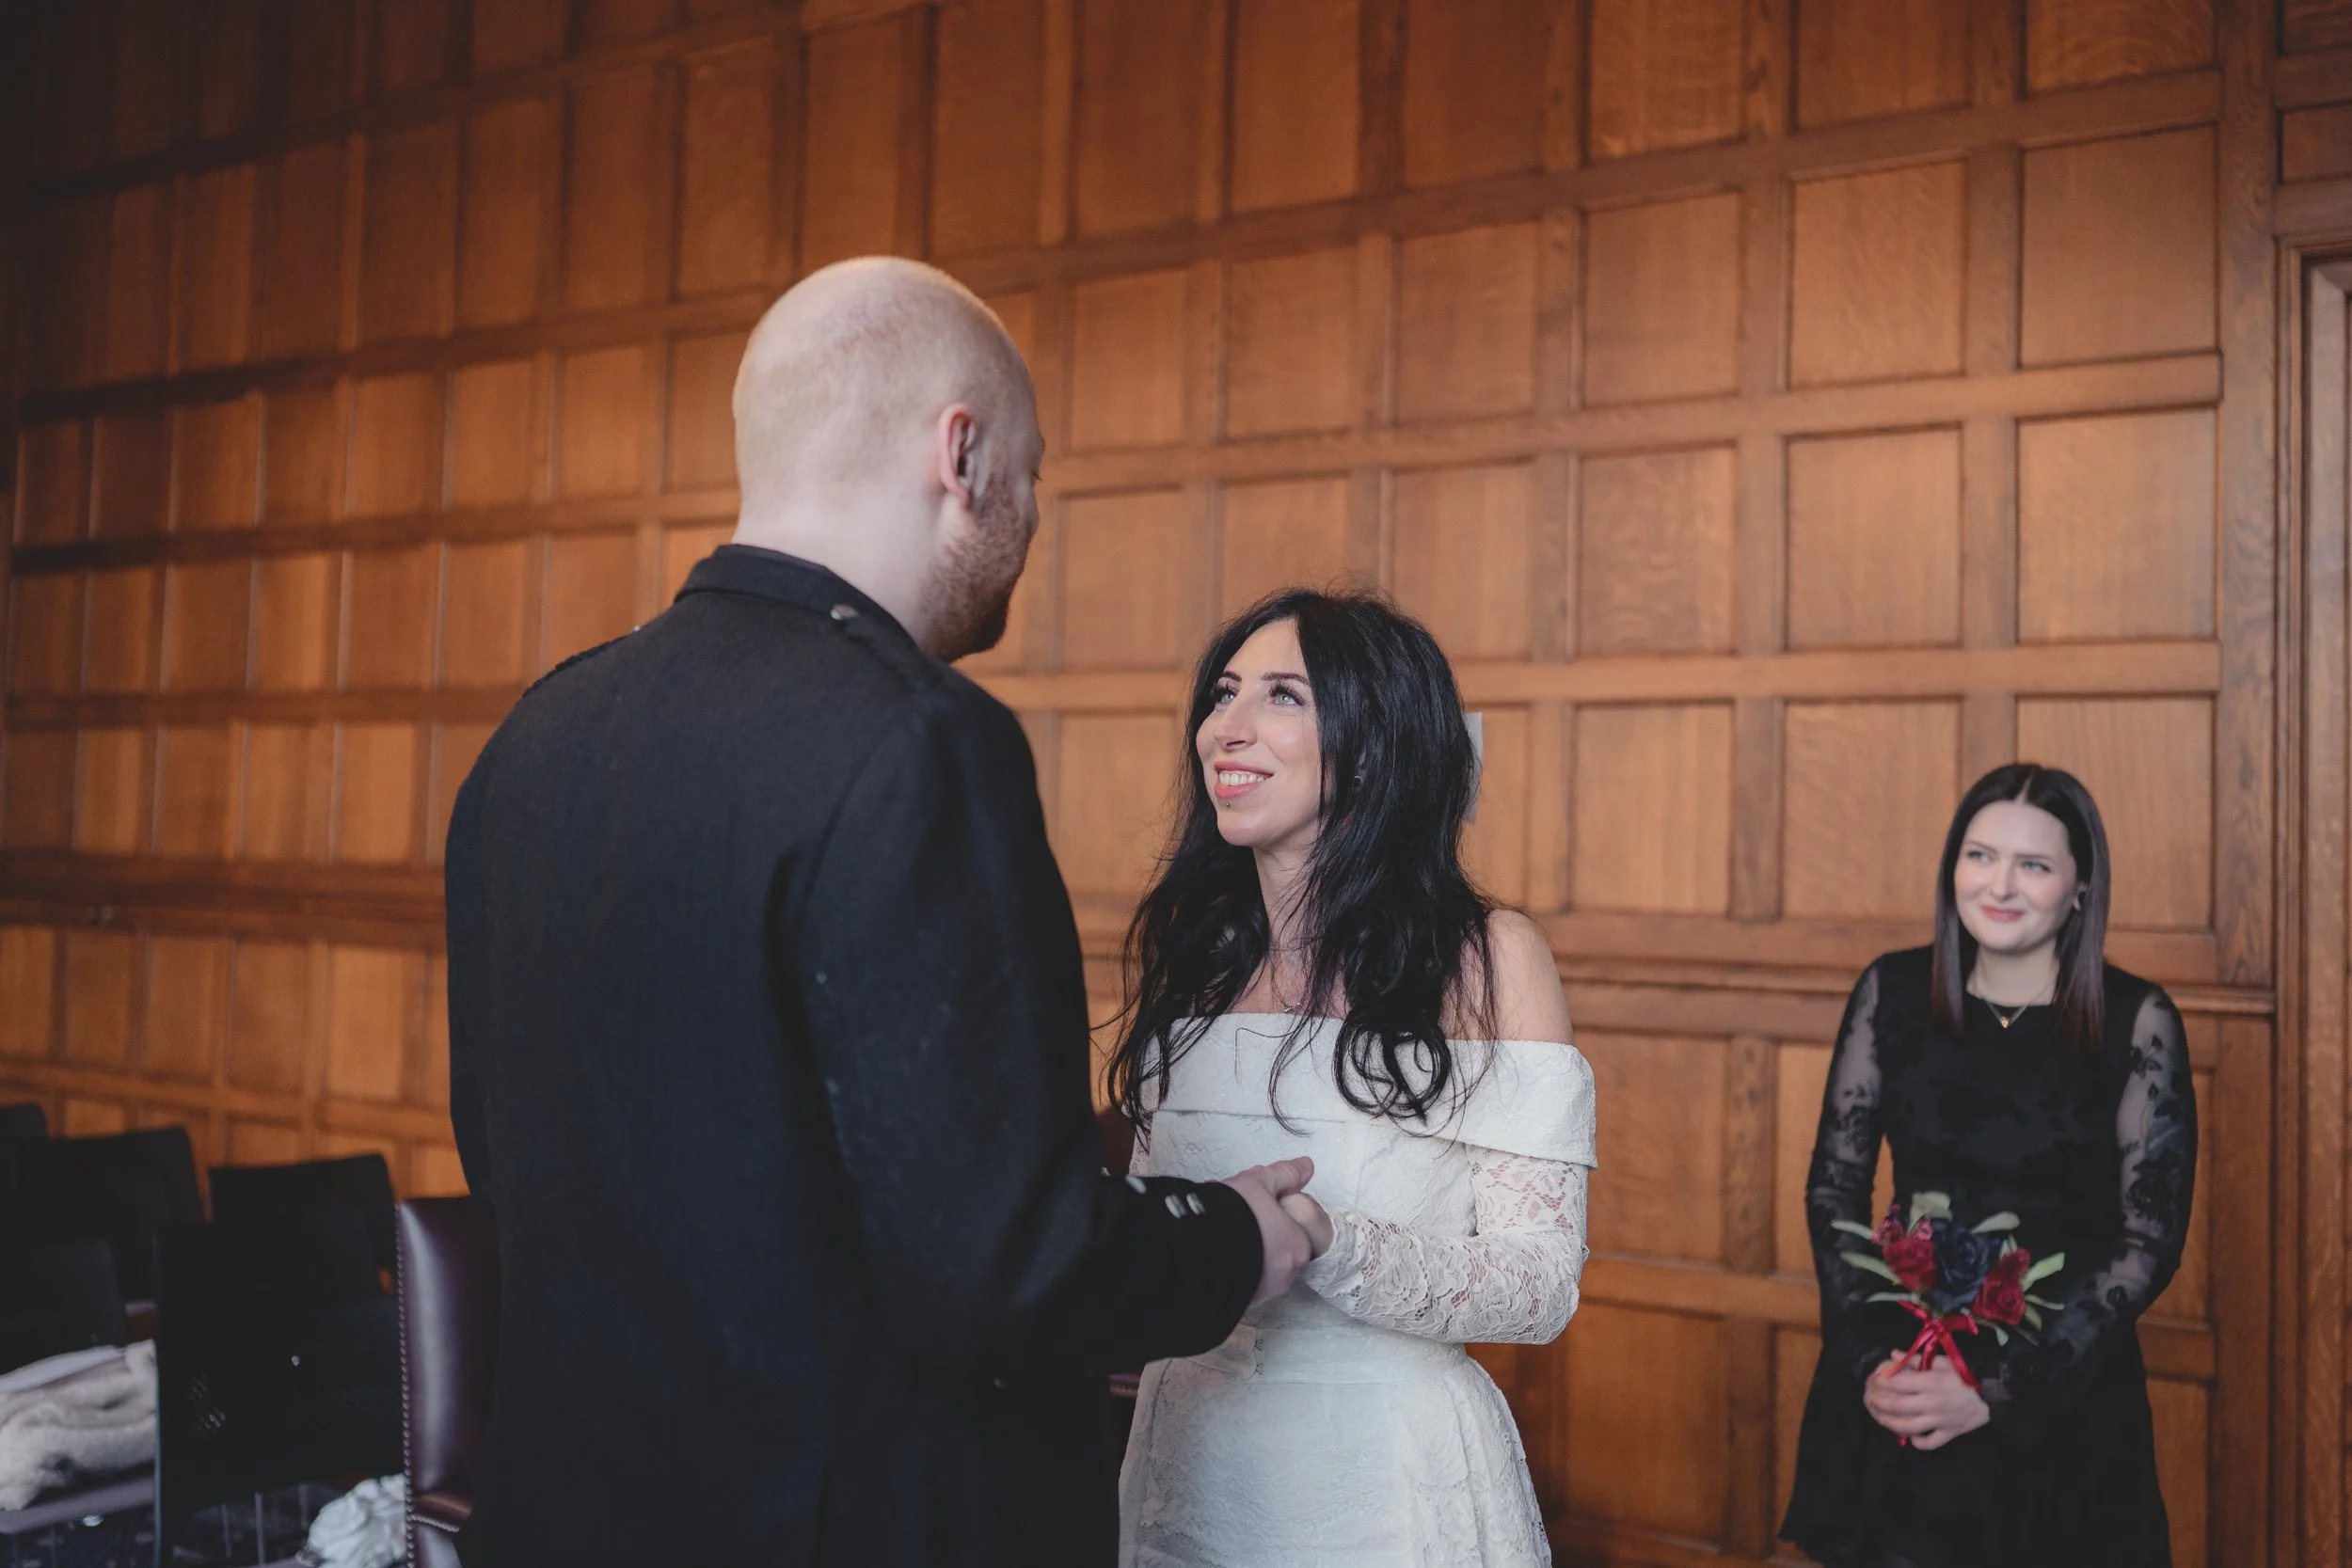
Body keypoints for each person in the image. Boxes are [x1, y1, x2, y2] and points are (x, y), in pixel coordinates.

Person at [442, 258, 1318, 1568]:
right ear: (960, 451)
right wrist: (1232, 1238)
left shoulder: (537, 731)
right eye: (1032, 470)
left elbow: (505, 1163)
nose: (1030, 510)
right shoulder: (918, 737)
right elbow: (1006, 1266)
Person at [1105, 588, 1597, 1567]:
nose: (1226, 727)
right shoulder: (1195, 953)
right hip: (1186, 1454)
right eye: (1224, 692)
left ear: (1375, 747)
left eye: (1283, 694)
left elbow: (1539, 1287)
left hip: (1385, 1475)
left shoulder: (1487, 959)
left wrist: (1326, 1237)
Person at [1782, 764, 2197, 1568]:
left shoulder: (2136, 1020)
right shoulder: (1892, 991)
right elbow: (1834, 1185)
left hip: (2059, 1392)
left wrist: (1996, 1388)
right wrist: (1869, 1358)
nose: (2000, 884)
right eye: (1980, 856)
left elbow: (2148, 1241)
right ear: (1953, 868)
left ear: (2079, 888)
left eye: (2034, 865)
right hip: (1904, 1375)